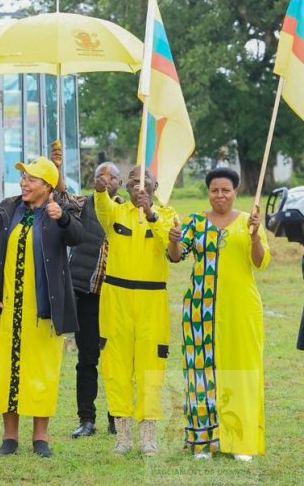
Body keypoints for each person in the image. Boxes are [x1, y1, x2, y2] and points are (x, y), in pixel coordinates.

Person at [0, 156, 84, 458]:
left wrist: (62, 217)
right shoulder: (7, 210)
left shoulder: (57, 212)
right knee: (7, 369)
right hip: (8, 308)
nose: (24, 183)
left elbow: (78, 237)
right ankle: (9, 437)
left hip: (44, 309)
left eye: (32, 179)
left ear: (48, 186)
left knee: (41, 371)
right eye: (23, 177)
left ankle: (41, 437)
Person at [167, 168, 269, 461]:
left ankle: (240, 441)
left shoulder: (249, 222)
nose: (220, 195)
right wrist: (174, 239)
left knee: (241, 372)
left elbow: (260, 263)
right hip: (200, 310)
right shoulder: (195, 222)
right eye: (215, 190)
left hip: (241, 309)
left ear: (236, 191)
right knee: (200, 372)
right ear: (208, 192)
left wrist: (254, 238)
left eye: (226, 190)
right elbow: (175, 256)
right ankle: (203, 442)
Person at [94, 166, 176, 456]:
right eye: (131, 183)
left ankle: (148, 435)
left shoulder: (167, 214)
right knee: (116, 365)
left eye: (144, 182)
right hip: (116, 298)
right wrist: (101, 188)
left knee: (150, 367)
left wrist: (151, 214)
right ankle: (123, 435)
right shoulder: (116, 213)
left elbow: (171, 245)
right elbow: (101, 207)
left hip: (152, 299)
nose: (138, 187)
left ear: (156, 184)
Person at [67, 162, 123, 438]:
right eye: (101, 174)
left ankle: (117, 417)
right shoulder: (82, 204)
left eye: (112, 176)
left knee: (116, 359)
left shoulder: (126, 211)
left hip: (118, 297)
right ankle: (86, 419)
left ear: (120, 184)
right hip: (87, 294)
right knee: (87, 357)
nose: (106, 179)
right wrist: (56, 170)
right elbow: (60, 197)